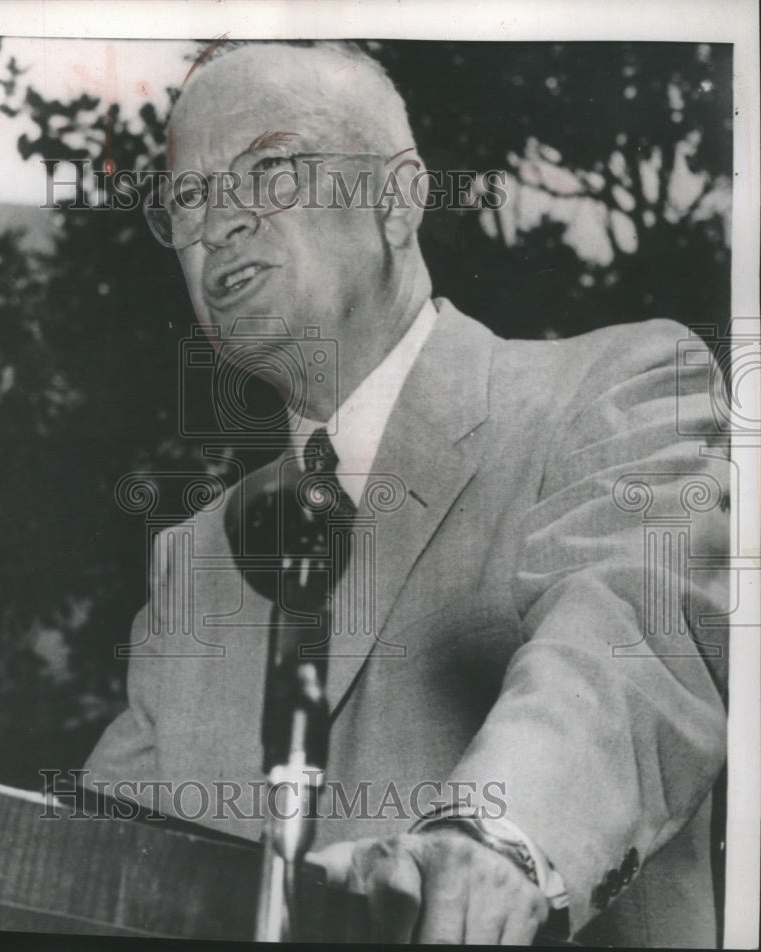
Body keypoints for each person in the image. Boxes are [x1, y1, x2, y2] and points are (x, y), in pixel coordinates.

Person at [86, 41, 729, 946]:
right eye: (187, 195)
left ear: (397, 199)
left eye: (268, 169)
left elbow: (627, 651)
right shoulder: (196, 557)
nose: (217, 222)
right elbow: (91, 863)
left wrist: (493, 839)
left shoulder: (616, 389)